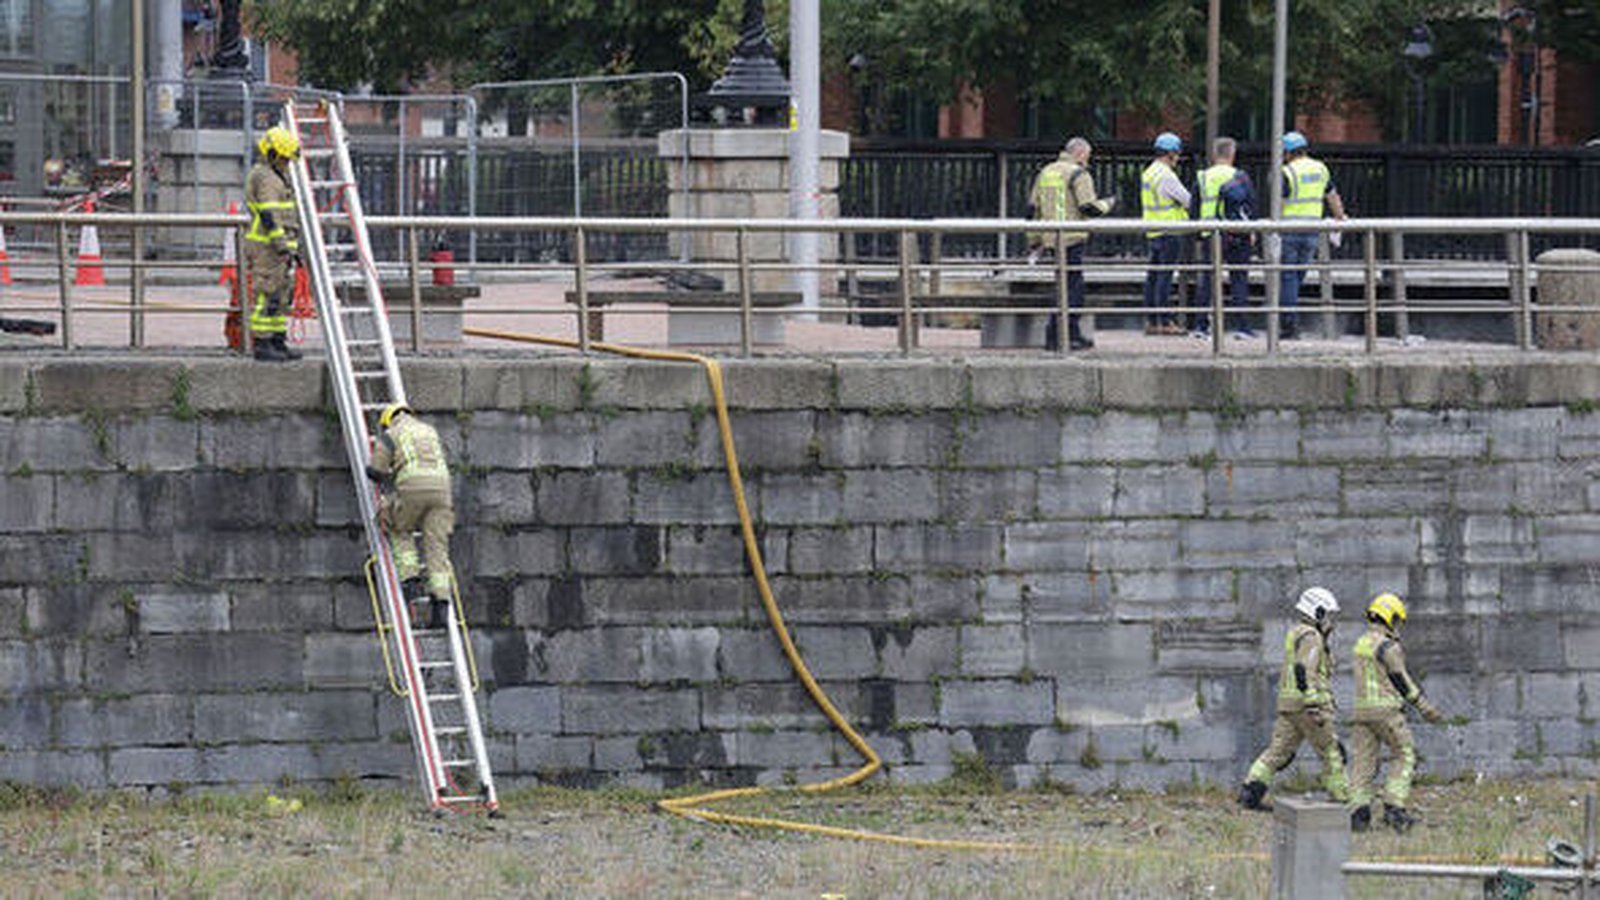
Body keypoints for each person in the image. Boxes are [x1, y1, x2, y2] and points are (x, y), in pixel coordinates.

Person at [1239, 586, 1351, 811]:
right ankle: (1344, 803)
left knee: (1277, 752)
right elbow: (1305, 668)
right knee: (1331, 752)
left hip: (1289, 706)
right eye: (1328, 615)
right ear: (1318, 613)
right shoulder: (1311, 636)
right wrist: (1313, 704)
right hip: (1309, 708)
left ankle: (1250, 793)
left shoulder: (1296, 632)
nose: (1331, 621)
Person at [1347, 593, 1446, 834]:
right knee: (1404, 754)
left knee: (1363, 762)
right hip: (1386, 711)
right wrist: (1423, 706)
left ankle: (1359, 815)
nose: (1398, 626)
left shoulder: (1360, 644)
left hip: (1361, 712)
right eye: (1397, 620)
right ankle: (1394, 808)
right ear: (1389, 617)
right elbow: (1401, 680)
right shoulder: (1388, 647)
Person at [367, 403, 456, 629]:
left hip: (413, 487)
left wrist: (378, 471)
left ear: (388, 420)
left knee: (398, 527)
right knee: (436, 546)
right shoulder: (429, 430)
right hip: (443, 490)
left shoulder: (391, 434)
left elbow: (377, 471)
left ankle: (411, 580)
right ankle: (441, 609)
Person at [1028, 136, 1117, 351]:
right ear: (1079, 153)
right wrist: (1109, 203)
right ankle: (1064, 336)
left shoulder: (1046, 171)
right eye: (1087, 156)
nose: (1088, 160)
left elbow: (1032, 209)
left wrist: (1034, 241)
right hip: (1072, 238)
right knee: (1073, 290)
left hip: (1051, 238)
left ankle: (1062, 335)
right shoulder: (1078, 173)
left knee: (1062, 287)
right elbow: (1088, 208)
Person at [1277, 131, 1347, 339]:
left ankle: (1288, 325)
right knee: (1298, 276)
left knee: (1288, 277)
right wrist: (1340, 217)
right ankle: (1290, 317)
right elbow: (1332, 196)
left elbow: (1279, 203)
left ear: (1288, 152)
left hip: (1289, 230)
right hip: (1312, 230)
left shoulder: (1286, 172)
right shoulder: (1320, 168)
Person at [244, 125, 303, 362]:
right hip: (267, 247)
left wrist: (291, 248)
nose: (287, 163)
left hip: (279, 248)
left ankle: (278, 340)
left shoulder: (277, 175)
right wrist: (281, 244)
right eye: (284, 158)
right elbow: (270, 216)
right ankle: (263, 342)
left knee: (280, 295)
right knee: (265, 295)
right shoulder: (266, 177)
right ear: (272, 154)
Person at [1191, 136, 1256, 339]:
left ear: (1214, 154)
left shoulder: (1202, 177)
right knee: (1239, 280)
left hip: (1210, 233)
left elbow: (1194, 209)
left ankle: (1201, 327)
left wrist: (1198, 234)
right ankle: (1242, 327)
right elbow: (1251, 206)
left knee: (1208, 280)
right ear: (1232, 154)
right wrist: (1252, 232)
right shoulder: (1241, 176)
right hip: (1236, 234)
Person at [1141, 132, 1191, 336]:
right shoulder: (1167, 175)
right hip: (1170, 231)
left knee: (1153, 277)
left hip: (1153, 230)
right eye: (1176, 154)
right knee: (1165, 277)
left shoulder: (1149, 172)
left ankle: (1153, 320)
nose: (1178, 158)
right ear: (1170, 153)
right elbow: (1187, 199)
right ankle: (1164, 321)